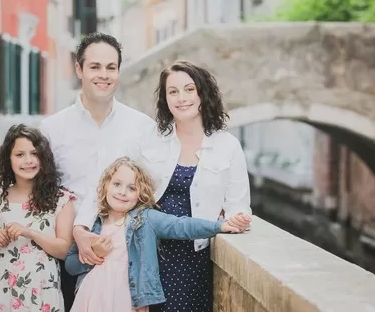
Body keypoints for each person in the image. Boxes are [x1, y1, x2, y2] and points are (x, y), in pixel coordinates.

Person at [74, 60, 252, 312]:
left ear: (203, 92)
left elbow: (237, 201)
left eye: (189, 89)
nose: (181, 98)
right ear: (165, 98)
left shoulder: (228, 145)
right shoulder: (149, 139)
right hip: (145, 251)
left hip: (196, 253)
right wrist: (80, 228)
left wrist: (237, 218)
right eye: (173, 91)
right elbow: (106, 180)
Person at [39, 32, 154, 309]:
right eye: (95, 67)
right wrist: (77, 232)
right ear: (79, 69)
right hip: (65, 257)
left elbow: (153, 189)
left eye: (111, 67)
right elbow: (41, 195)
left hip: (122, 259)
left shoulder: (143, 127)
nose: (103, 75)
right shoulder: (51, 129)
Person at [65, 157, 249, 312]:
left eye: (132, 188)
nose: (122, 192)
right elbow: (70, 265)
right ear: (105, 186)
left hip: (127, 300)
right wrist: (93, 254)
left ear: (140, 194)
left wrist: (220, 226)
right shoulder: (92, 222)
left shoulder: (146, 219)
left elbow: (181, 225)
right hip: (90, 298)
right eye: (117, 184)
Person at [0, 124, 75, 312]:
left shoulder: (61, 200)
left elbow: (65, 250)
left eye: (34, 153)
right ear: (9, 159)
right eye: (19, 155)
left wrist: (30, 232)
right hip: (3, 290)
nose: (28, 160)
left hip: (42, 292)